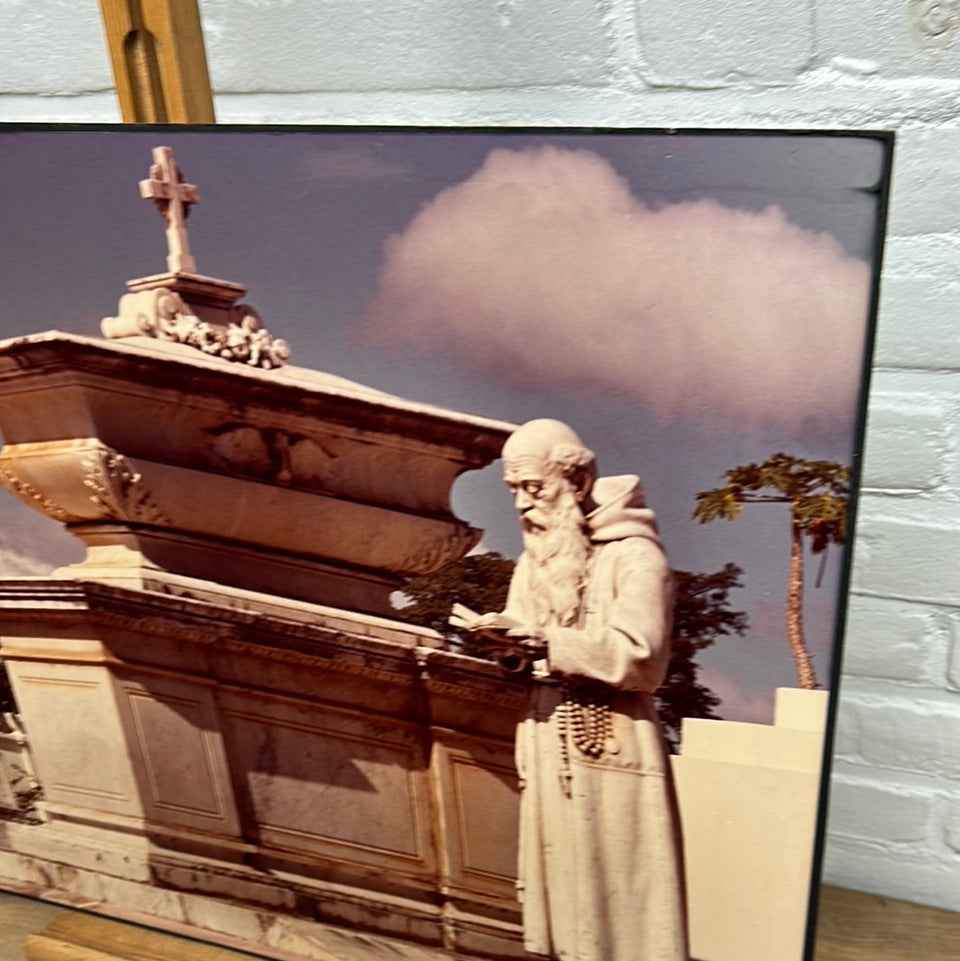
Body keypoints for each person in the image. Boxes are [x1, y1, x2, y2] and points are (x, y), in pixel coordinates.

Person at [451, 418, 688, 961]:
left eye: (533, 488)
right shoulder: (533, 567)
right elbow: (525, 642)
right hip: (545, 738)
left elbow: (642, 656)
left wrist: (547, 642)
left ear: (576, 483)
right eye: (513, 491)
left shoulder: (636, 557)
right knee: (563, 900)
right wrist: (505, 645)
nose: (521, 505)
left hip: (615, 747)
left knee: (621, 906)